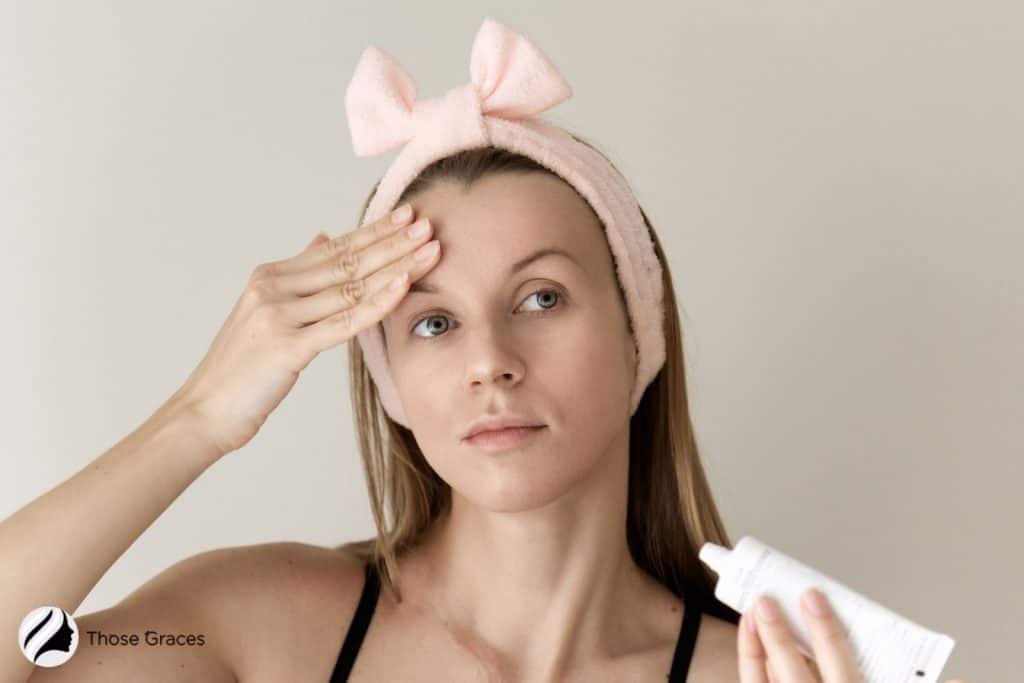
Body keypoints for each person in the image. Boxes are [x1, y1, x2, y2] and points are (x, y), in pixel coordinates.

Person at [9, 16, 968, 683]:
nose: (490, 360)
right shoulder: (267, 624)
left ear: (643, 331)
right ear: (387, 381)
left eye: (541, 297)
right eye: (432, 321)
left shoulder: (766, 672)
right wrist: (199, 418)